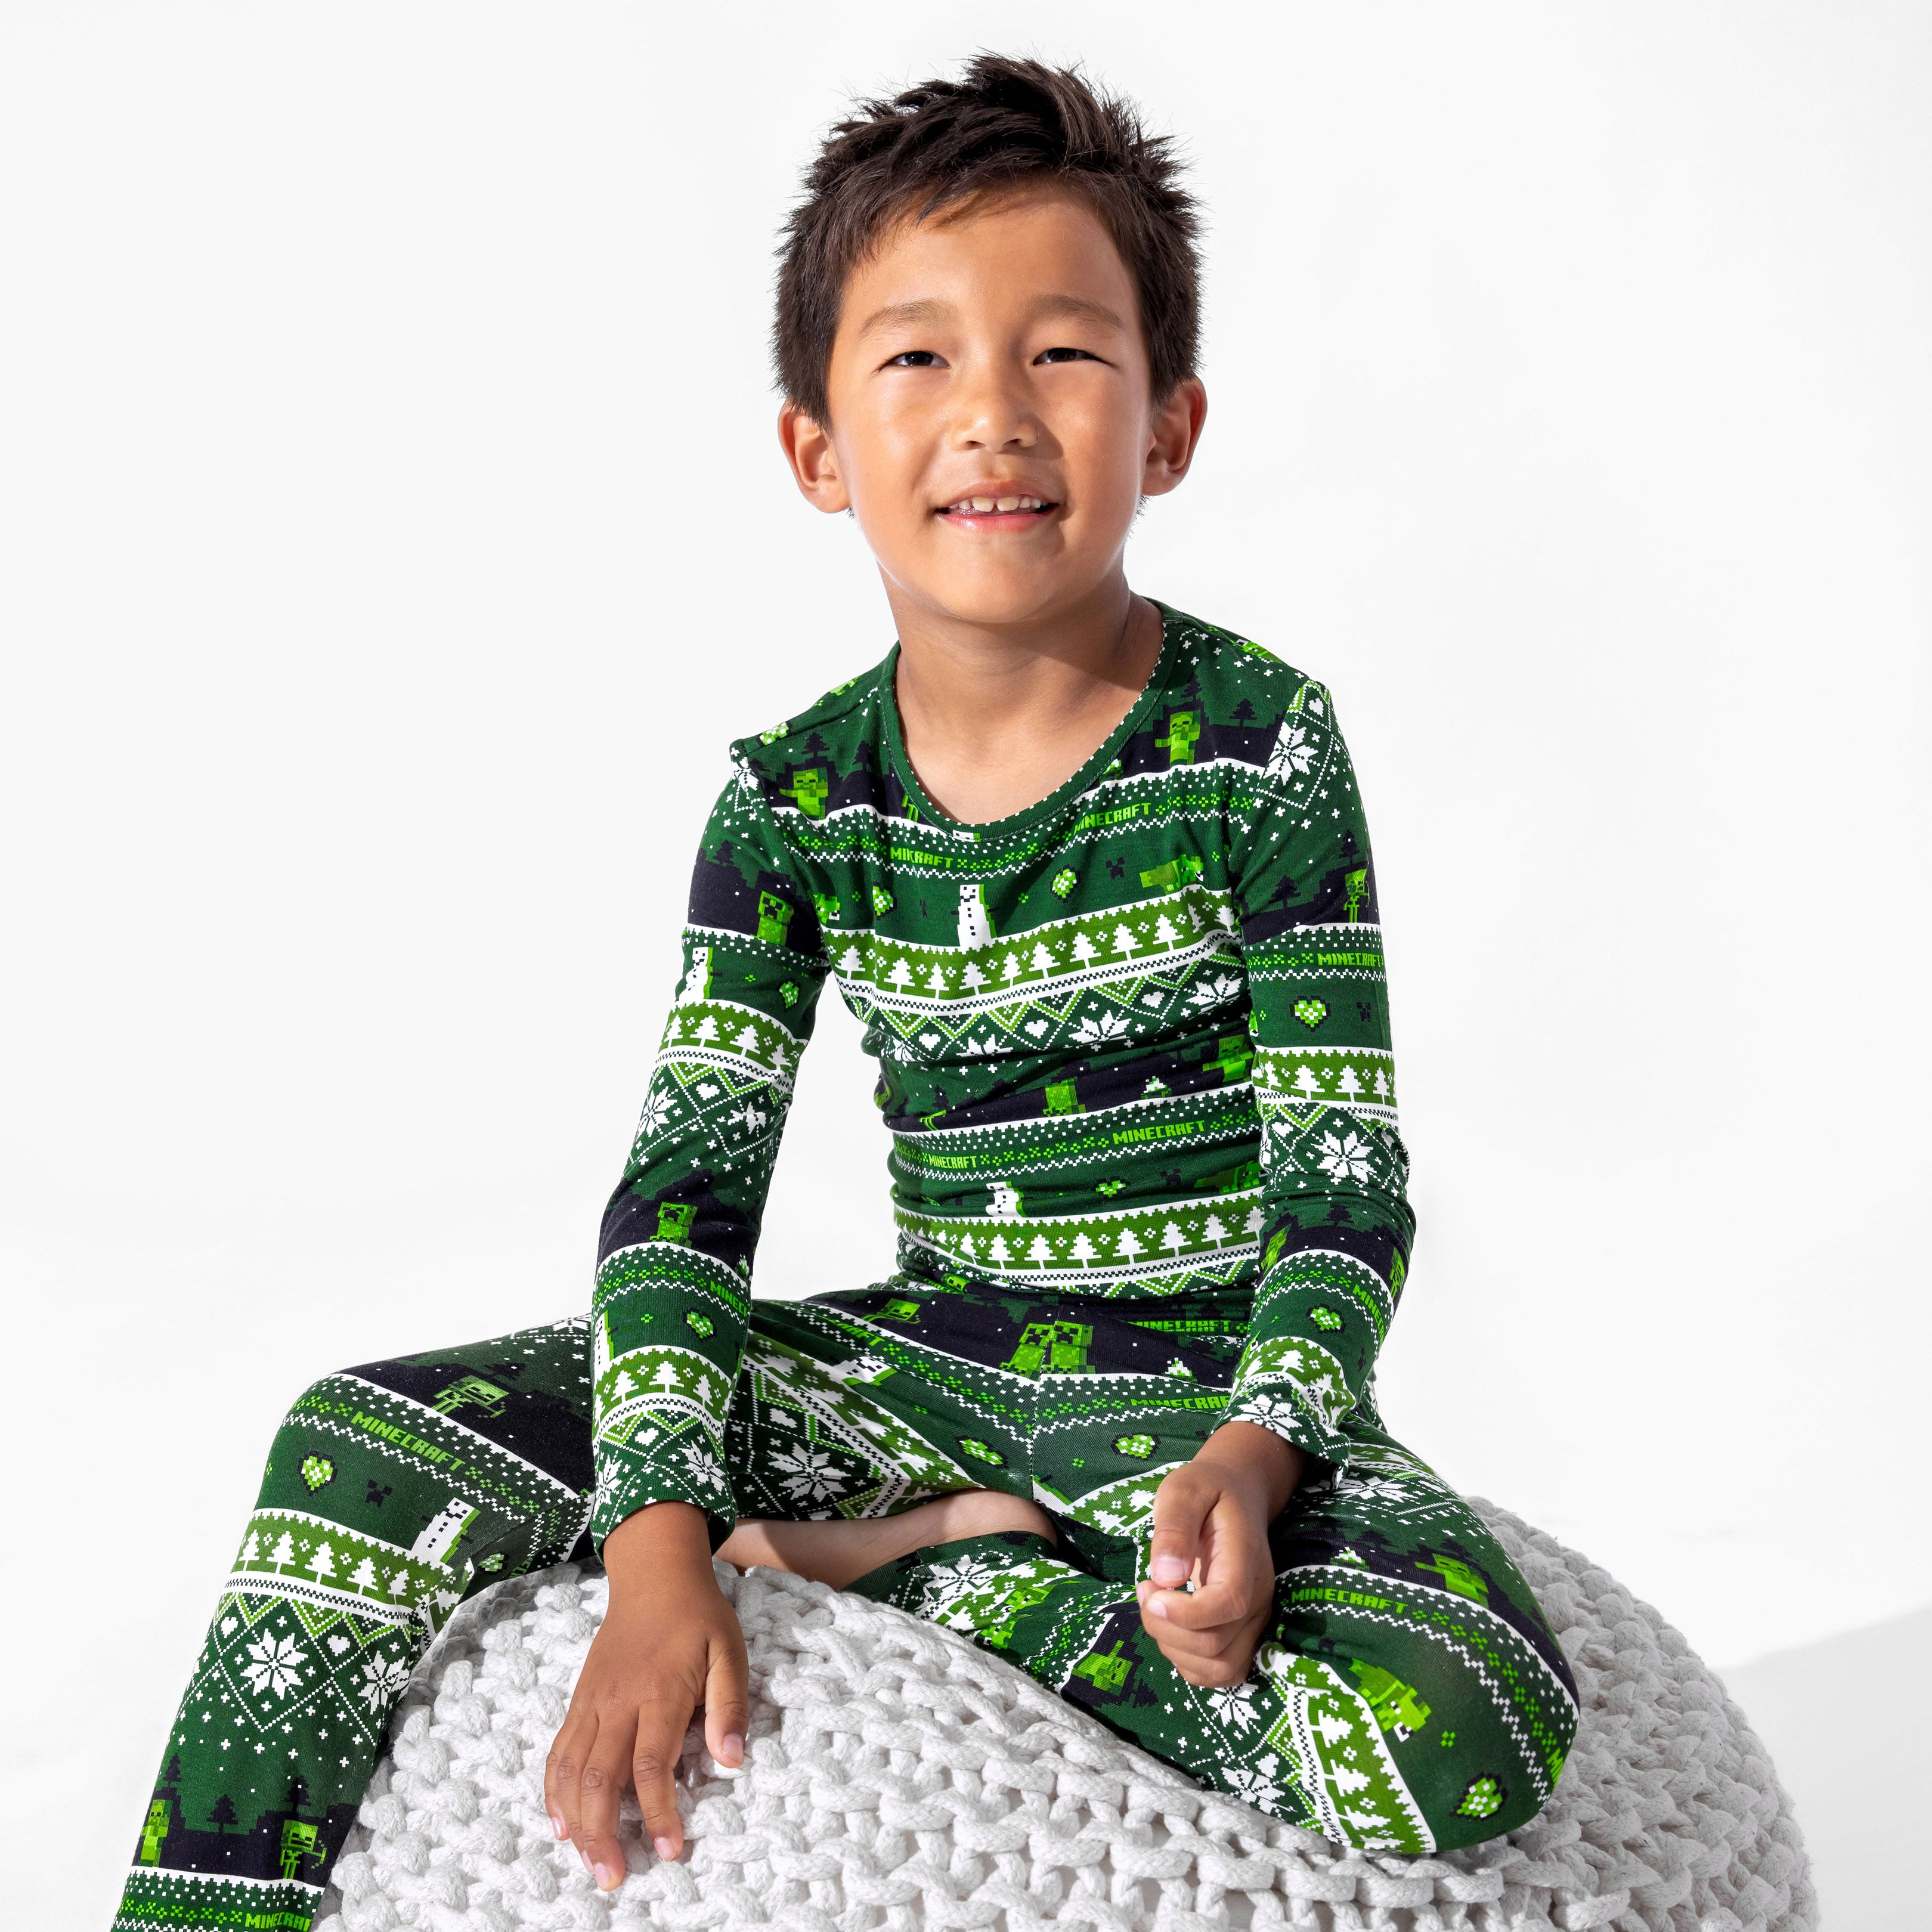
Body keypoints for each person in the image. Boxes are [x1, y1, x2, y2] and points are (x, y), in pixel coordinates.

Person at [116, 55, 1579, 1932]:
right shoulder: (795, 797)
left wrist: (1258, 1447)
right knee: (350, 1445)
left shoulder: (1259, 744)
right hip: (918, 1370)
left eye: (1063, 353)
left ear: (1171, 424)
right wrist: (659, 1546)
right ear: (817, 449)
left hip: (1207, 1392)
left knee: (1462, 1723)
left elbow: (1346, 1184)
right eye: (918, 359)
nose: (994, 415)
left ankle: (927, 1571)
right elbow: (684, 1196)